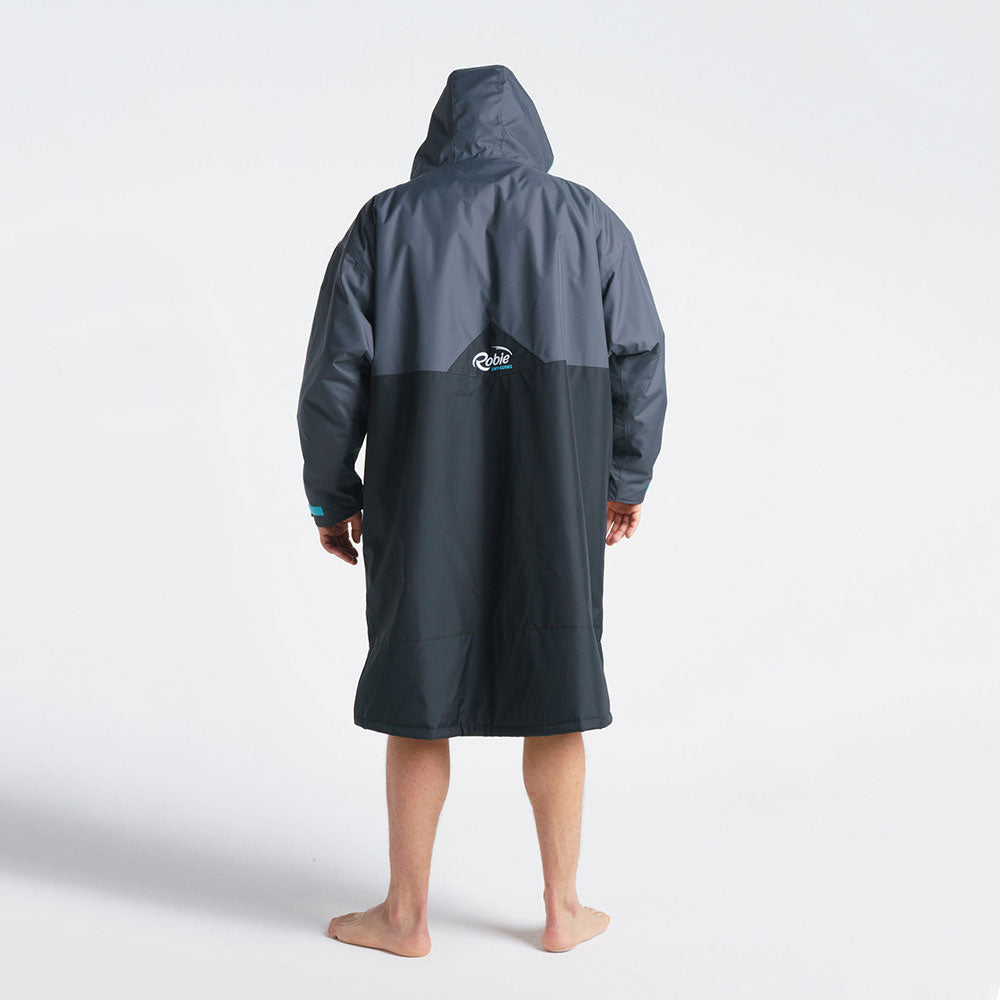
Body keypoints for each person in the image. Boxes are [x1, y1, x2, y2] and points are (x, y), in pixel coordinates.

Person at [297, 64, 667, 956]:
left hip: (421, 494)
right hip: (558, 491)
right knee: (558, 682)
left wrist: (331, 494)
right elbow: (641, 355)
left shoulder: (387, 221)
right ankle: (563, 910)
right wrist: (626, 478)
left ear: (440, 133)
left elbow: (333, 373)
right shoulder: (587, 219)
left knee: (419, 691)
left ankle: (405, 917)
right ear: (529, 131)